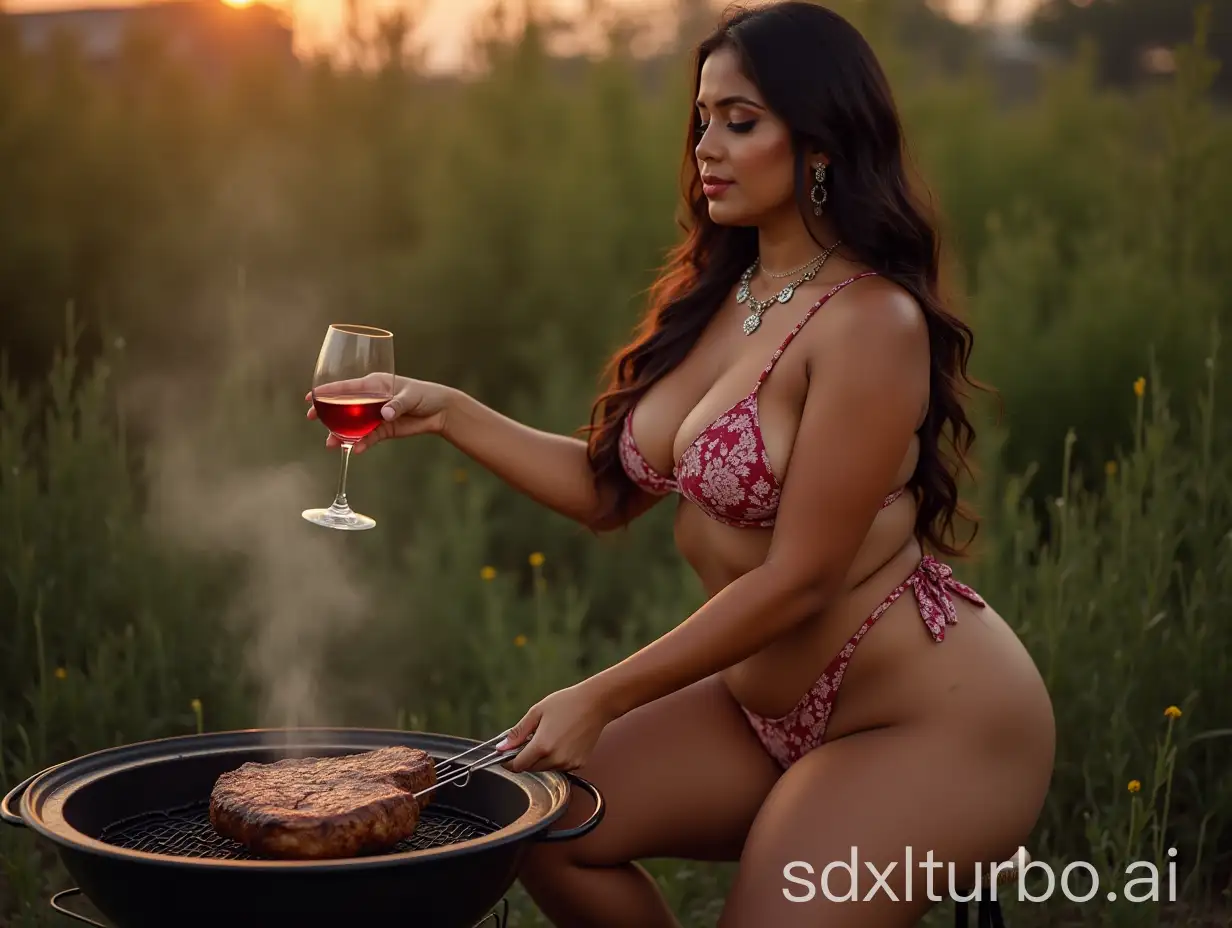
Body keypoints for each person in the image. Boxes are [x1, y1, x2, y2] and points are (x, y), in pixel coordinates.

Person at [307, 3, 1056, 924]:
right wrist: (449, 411)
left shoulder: (870, 324)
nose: (707, 144)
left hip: (930, 719)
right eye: (702, 118)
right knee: (544, 827)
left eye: (741, 121)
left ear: (820, 143)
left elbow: (802, 580)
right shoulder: (725, 293)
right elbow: (606, 493)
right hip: (755, 711)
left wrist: (601, 695)